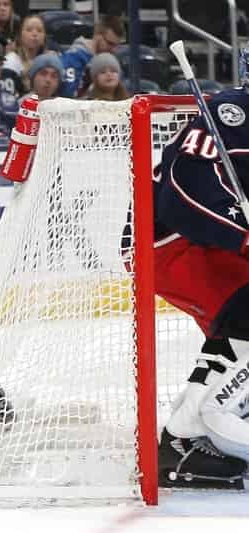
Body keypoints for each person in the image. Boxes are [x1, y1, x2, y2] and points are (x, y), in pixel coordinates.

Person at [149, 48, 249, 489]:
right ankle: (184, 437)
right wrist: (242, 234)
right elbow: (181, 194)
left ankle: (191, 432)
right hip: (169, 243)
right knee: (244, 317)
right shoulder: (228, 115)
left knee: (238, 330)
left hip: (210, 246)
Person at [59, 14, 123, 99]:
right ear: (97, 34)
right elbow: (67, 95)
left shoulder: (111, 61)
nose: (114, 50)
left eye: (116, 45)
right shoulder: (73, 58)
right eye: (110, 43)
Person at [3, 14, 46, 94]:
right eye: (29, 30)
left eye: (39, 30)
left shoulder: (48, 61)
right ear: (19, 35)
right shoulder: (10, 61)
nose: (35, 34)